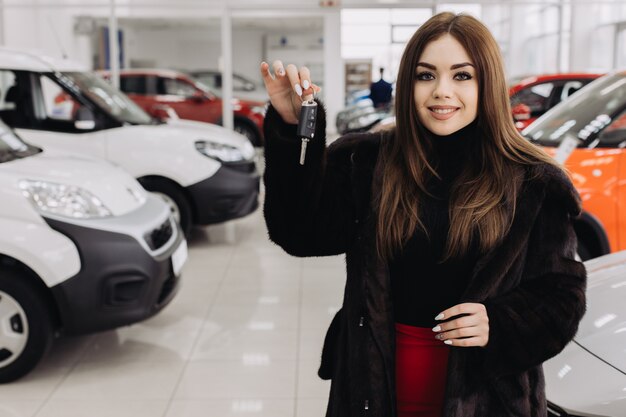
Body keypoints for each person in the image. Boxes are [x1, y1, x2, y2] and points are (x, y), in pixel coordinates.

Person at [259, 12, 586, 417]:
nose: (441, 92)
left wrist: (500, 324)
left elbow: (562, 298)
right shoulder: (368, 162)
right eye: (425, 75)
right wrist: (293, 128)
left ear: (488, 83)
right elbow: (299, 233)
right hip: (374, 390)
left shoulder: (534, 184)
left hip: (487, 398)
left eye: (462, 76)